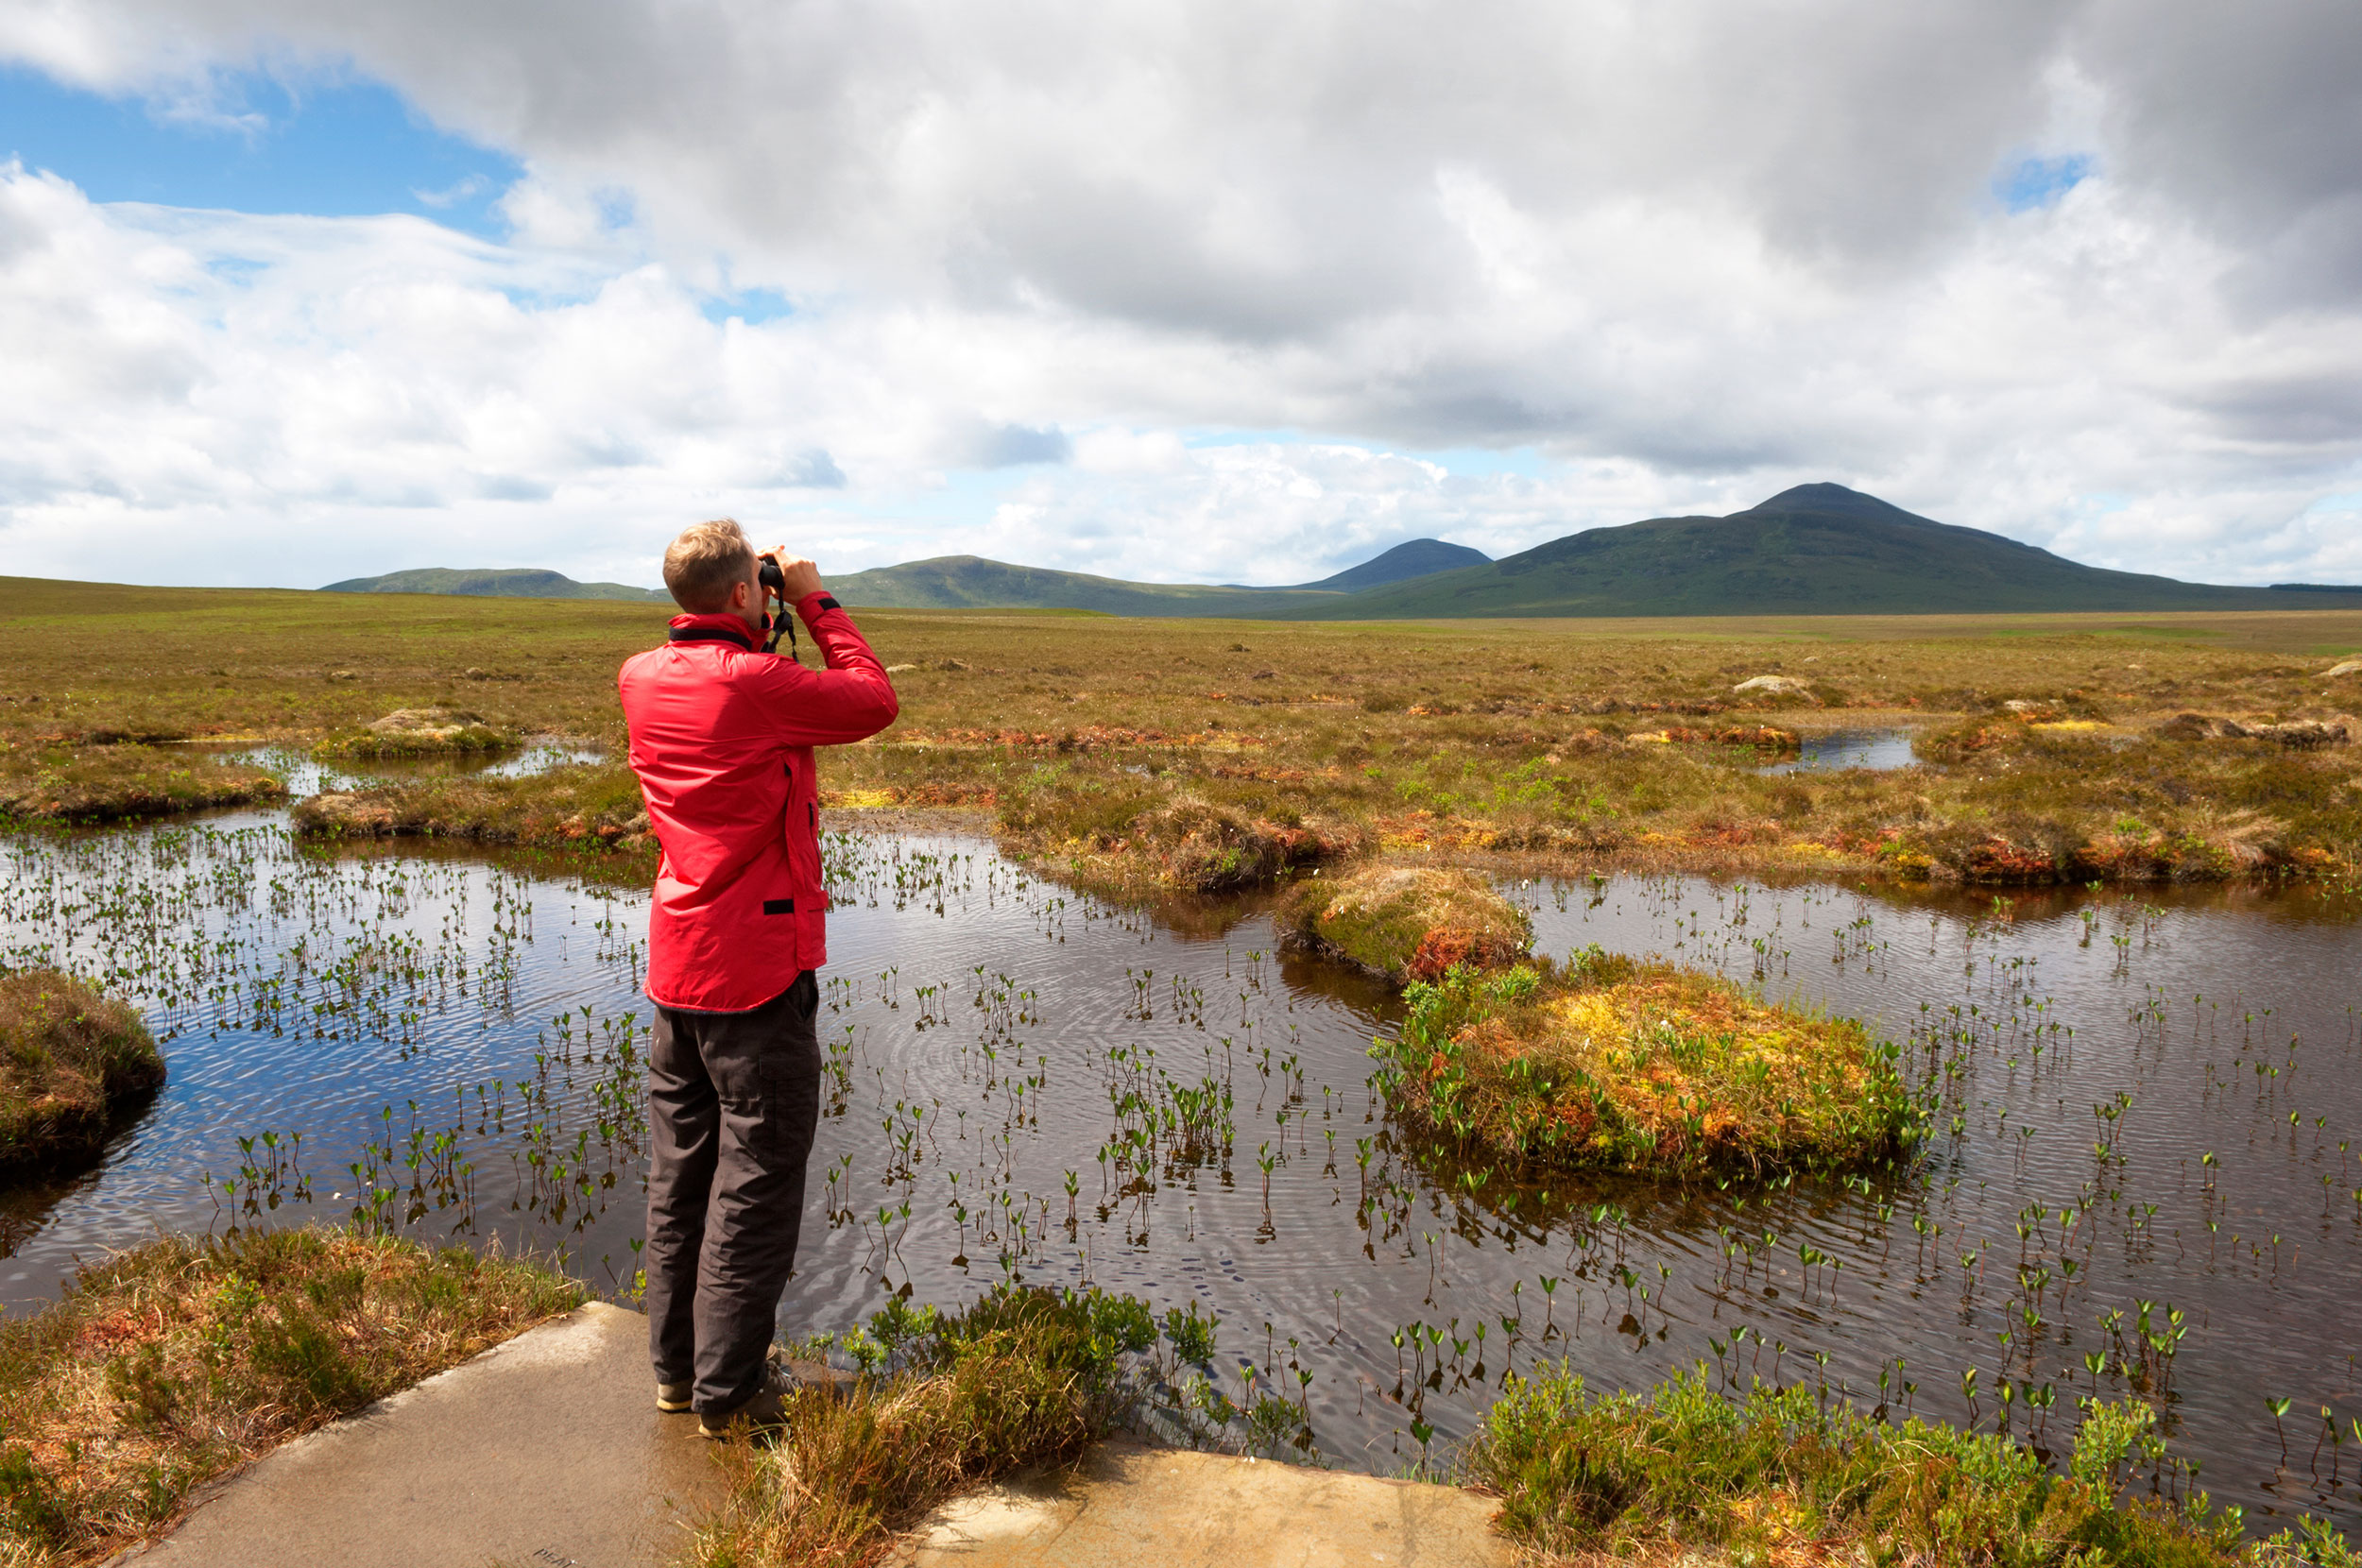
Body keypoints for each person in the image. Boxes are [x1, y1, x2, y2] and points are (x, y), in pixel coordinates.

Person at [617, 519, 898, 1437]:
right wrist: (814, 596)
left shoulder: (639, 676)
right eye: (762, 587)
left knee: (681, 1176)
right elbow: (870, 699)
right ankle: (729, 1393)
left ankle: (677, 1373)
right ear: (744, 594)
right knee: (757, 1183)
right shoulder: (758, 684)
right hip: (757, 976)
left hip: (676, 965)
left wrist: (764, 612)